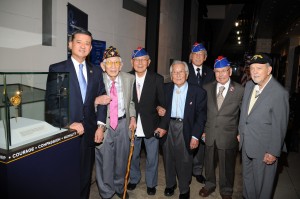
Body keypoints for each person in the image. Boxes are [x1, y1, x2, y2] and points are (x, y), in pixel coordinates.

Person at [46, 29, 107, 199]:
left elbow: (103, 100)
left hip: (89, 134)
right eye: (79, 42)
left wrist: (101, 126)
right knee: (65, 177)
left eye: (87, 43)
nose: (83, 46)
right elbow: (51, 105)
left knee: (85, 179)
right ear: (70, 44)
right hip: (66, 134)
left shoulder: (96, 71)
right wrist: (67, 123)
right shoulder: (57, 69)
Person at [238, 53, 289, 199]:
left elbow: (280, 125)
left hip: (264, 150)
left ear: (269, 70)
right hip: (246, 144)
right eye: (252, 68)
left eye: (259, 68)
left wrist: (273, 151)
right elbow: (245, 113)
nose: (254, 72)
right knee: (248, 184)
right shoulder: (249, 86)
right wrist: (241, 131)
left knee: (263, 189)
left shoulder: (279, 93)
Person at [93, 46, 136, 199]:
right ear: (103, 66)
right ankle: (106, 192)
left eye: (116, 63)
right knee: (104, 161)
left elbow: (131, 101)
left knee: (122, 159)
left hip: (123, 124)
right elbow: (89, 102)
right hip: (103, 125)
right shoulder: (96, 79)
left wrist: (133, 117)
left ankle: (119, 187)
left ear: (121, 65)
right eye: (109, 63)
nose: (112, 66)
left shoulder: (129, 79)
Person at [199, 56, 244, 199]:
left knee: (227, 166)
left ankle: (226, 190)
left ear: (230, 71)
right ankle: (209, 184)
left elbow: (244, 115)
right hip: (209, 133)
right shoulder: (206, 88)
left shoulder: (239, 90)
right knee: (209, 163)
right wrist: (202, 131)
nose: (221, 74)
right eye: (217, 71)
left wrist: (240, 132)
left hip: (229, 135)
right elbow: (202, 112)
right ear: (214, 72)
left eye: (224, 71)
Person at [162, 60, 207, 199]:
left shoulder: (198, 92)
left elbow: (201, 117)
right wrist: (158, 108)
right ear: (171, 75)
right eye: (174, 72)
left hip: (186, 127)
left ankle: (184, 189)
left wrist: (195, 136)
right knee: (168, 158)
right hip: (168, 126)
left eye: (181, 71)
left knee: (185, 160)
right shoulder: (165, 89)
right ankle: (170, 184)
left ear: (187, 74)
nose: (178, 74)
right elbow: (157, 104)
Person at [127, 47, 167, 195]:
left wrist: (161, 118)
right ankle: (134, 179)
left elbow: (162, 104)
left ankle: (151, 183)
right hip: (132, 125)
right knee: (133, 155)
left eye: (143, 60)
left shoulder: (157, 79)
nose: (140, 63)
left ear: (148, 62)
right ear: (132, 62)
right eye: (137, 60)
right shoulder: (127, 78)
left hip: (151, 125)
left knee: (152, 158)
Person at [187, 42, 215, 184]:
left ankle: (197, 171)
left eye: (201, 55)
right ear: (191, 56)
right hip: (187, 114)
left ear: (205, 57)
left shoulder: (211, 73)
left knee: (201, 145)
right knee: (186, 143)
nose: (198, 57)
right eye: (195, 54)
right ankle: (186, 170)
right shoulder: (184, 70)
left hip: (204, 114)